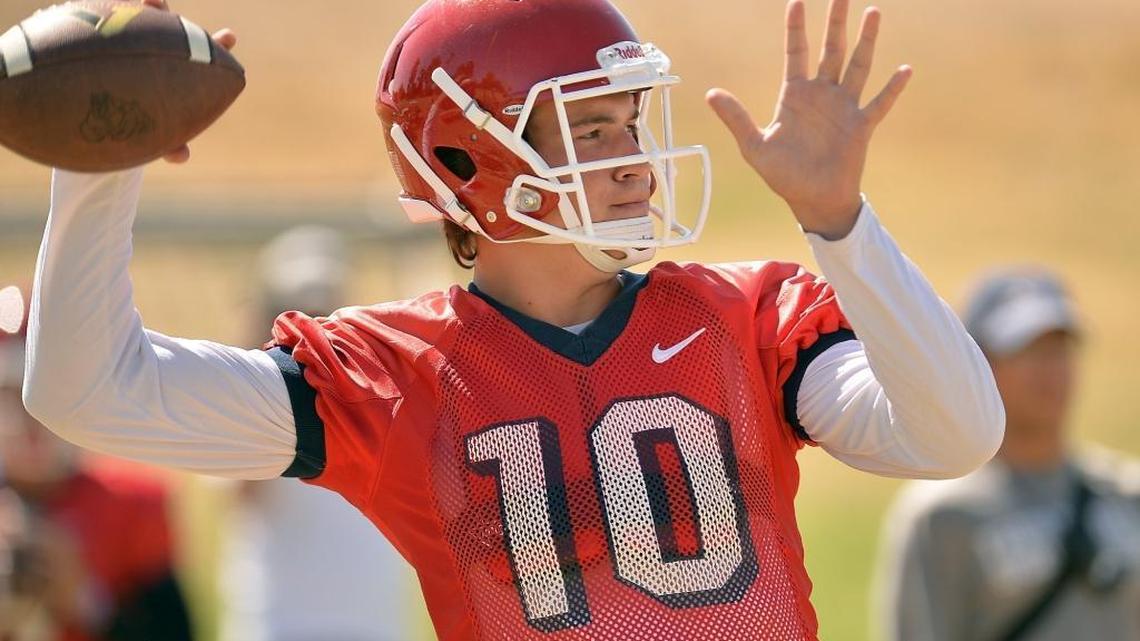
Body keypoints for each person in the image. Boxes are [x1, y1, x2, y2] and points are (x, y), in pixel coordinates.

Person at [21, 0, 1006, 639]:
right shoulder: (390, 374)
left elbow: (955, 430)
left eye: (631, 121)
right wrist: (101, 165)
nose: (632, 156)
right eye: (591, 126)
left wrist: (843, 222)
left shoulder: (748, 315)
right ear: (465, 158)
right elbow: (90, 393)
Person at [876, 268, 1140, 641]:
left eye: (1060, 349)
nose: (1051, 370)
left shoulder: (1126, 492)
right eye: (1028, 351)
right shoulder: (944, 515)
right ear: (977, 365)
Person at [219, 227, 423, 641]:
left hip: (370, 625)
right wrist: (251, 359)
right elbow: (240, 494)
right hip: (281, 625)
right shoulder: (255, 405)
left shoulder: (377, 391)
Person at [0, 286, 194, 641]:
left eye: (46, 396)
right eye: (10, 393)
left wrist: (86, 599)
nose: (30, 419)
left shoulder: (132, 503)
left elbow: (175, 632)